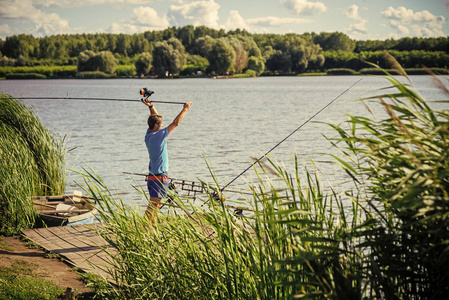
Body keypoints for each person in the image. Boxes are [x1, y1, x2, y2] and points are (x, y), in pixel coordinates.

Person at [142, 97, 192, 222]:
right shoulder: (158, 136)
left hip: (155, 176)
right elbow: (175, 123)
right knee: (154, 206)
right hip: (159, 176)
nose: (163, 126)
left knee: (156, 206)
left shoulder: (149, 135)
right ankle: (143, 228)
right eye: (161, 124)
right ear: (156, 125)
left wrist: (151, 106)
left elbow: (155, 118)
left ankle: (150, 229)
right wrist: (185, 110)